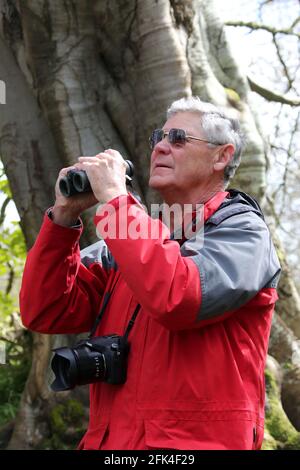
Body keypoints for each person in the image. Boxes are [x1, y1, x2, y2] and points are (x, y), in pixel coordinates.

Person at [20, 96, 281, 450]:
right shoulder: (136, 240)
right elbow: (45, 309)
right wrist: (63, 218)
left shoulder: (243, 232)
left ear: (221, 156)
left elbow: (177, 296)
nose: (159, 146)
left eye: (177, 138)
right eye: (158, 136)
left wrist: (115, 198)